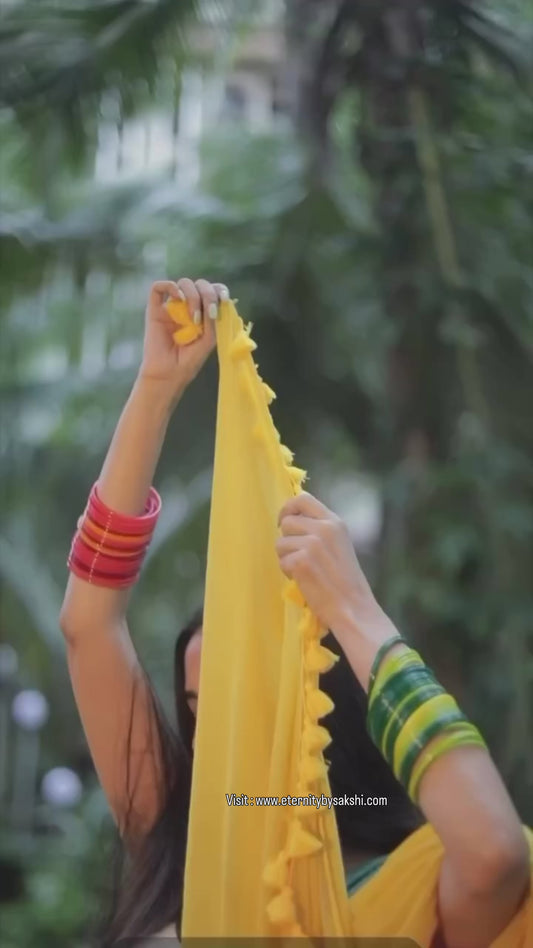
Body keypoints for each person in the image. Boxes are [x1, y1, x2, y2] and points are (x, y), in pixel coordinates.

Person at [59, 278, 531, 946]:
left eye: (231, 697)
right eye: (195, 706)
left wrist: (352, 607)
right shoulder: (192, 838)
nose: (205, 732)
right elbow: (88, 628)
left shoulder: (420, 882)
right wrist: (155, 389)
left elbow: (496, 856)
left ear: (326, 708)